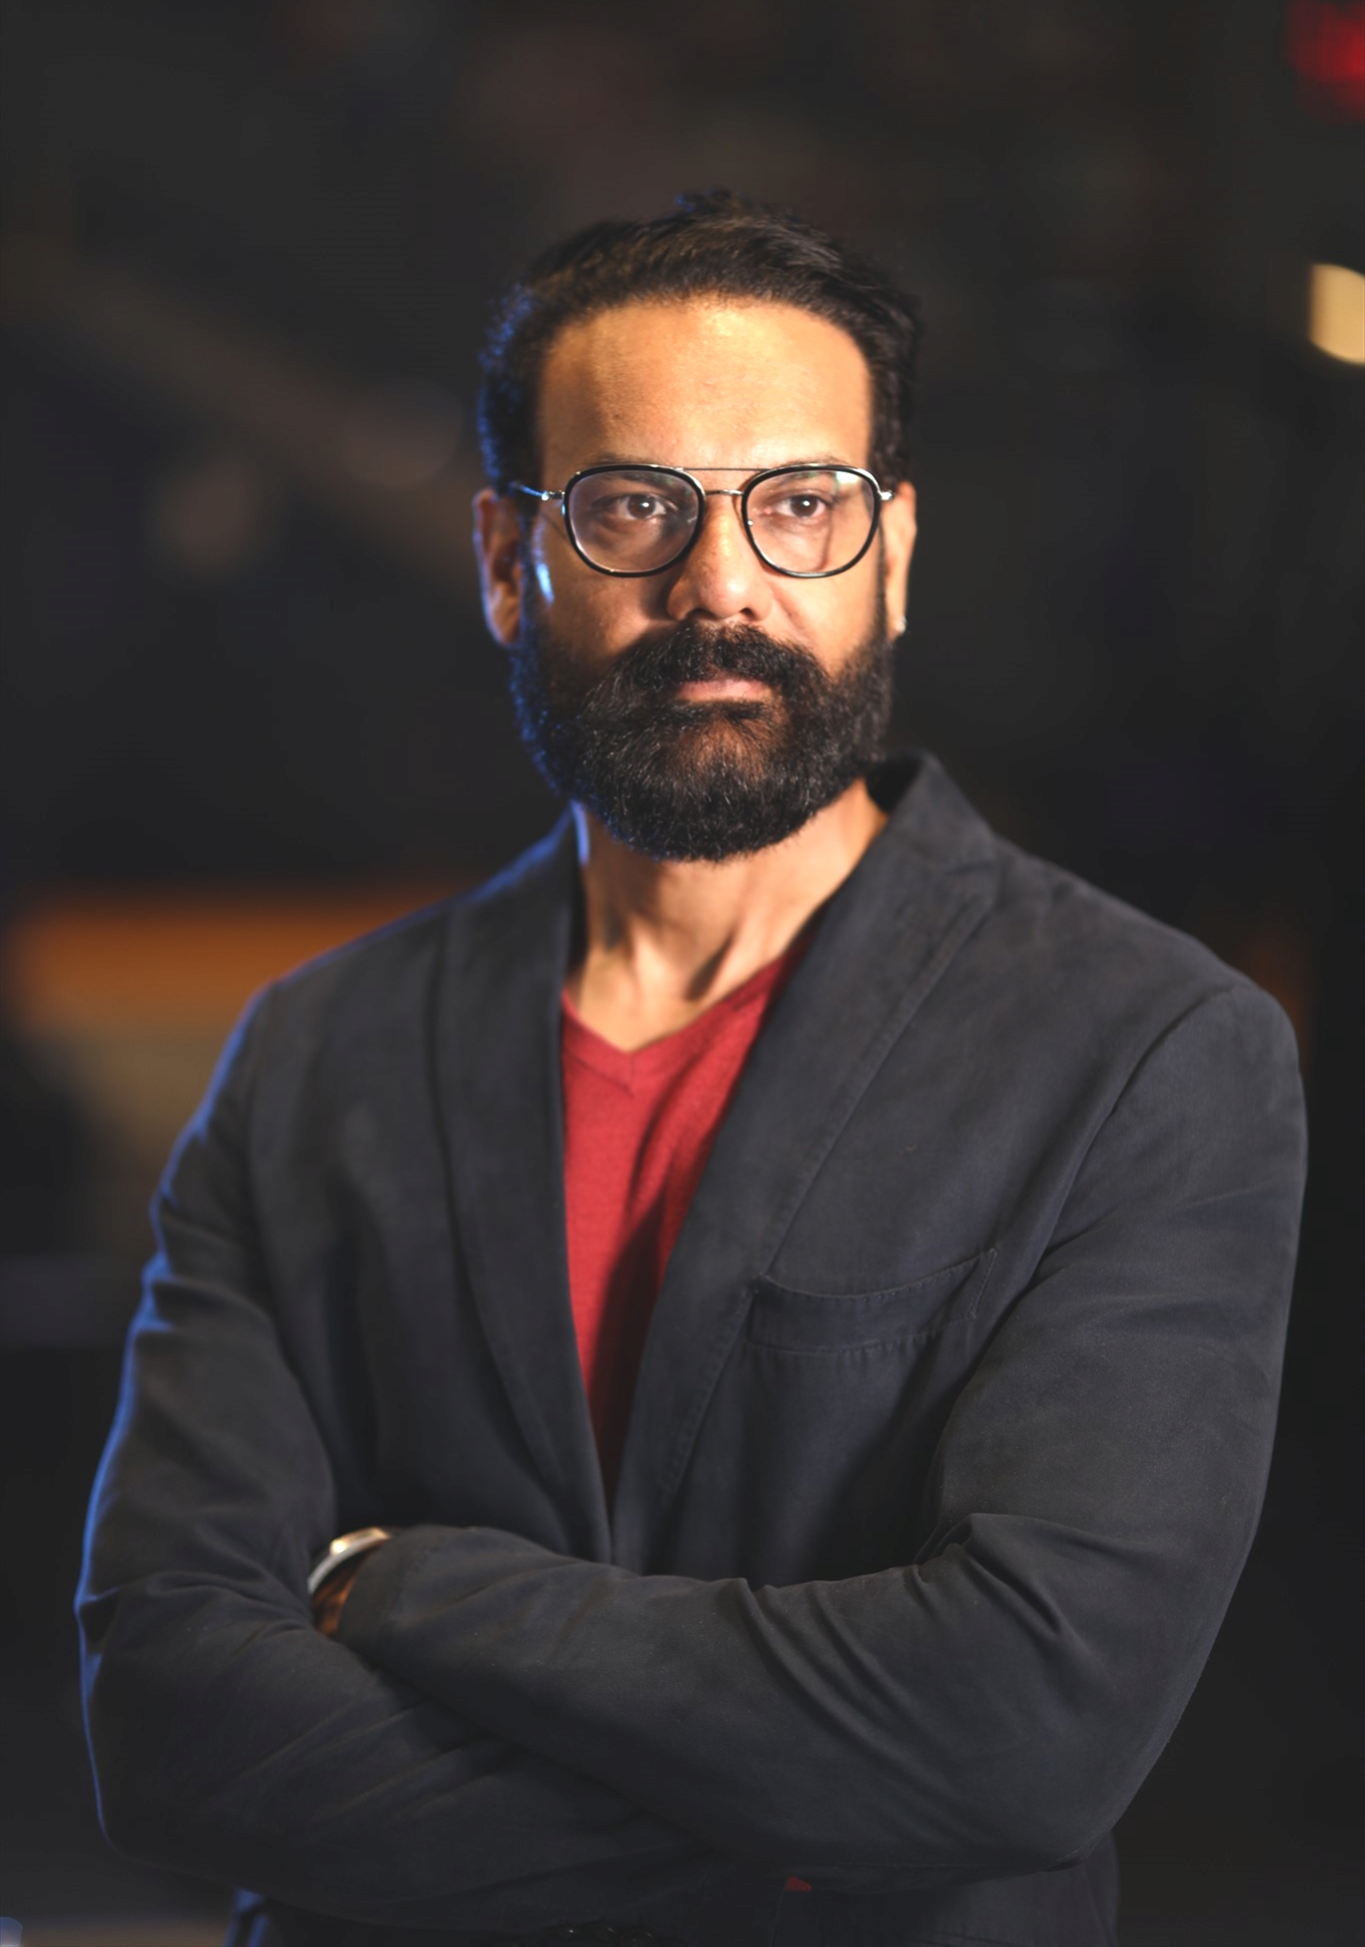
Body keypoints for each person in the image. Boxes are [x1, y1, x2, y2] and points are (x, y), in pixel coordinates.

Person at [78, 193, 1306, 1947]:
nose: (721, 586)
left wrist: (407, 1591)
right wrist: (809, 1830)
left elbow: (1022, 1737)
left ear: (890, 555)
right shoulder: (313, 1058)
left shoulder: (1144, 1051)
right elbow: (169, 1724)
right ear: (507, 561)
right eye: (635, 506)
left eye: (799, 504)